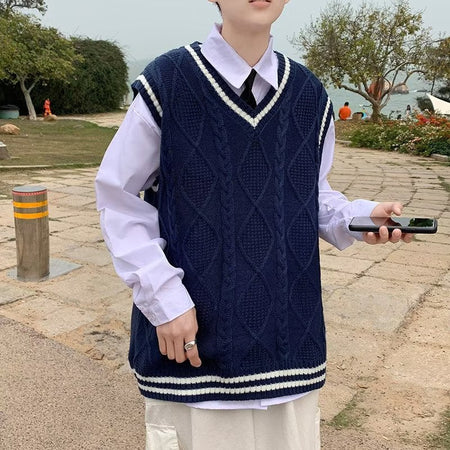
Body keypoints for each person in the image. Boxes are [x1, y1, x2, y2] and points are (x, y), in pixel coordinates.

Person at [95, 1, 413, 448]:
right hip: (192, 348)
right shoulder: (167, 82)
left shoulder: (309, 93)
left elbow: (309, 192)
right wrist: (164, 299)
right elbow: (119, 199)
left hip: (290, 348)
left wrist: (360, 217)